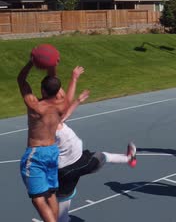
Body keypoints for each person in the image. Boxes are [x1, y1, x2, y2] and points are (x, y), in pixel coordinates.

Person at [54, 66, 137, 222]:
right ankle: (129, 158)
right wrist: (74, 78)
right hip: (75, 163)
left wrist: (78, 100)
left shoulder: (48, 120)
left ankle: (61, 218)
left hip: (63, 168)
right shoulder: (52, 123)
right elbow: (66, 105)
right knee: (102, 156)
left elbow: (66, 111)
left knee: (63, 202)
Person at [18, 60, 71, 222]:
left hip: (36, 153)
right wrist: (51, 66)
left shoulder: (35, 106)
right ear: (57, 91)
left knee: (38, 199)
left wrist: (31, 63)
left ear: (42, 89)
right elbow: (54, 83)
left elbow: (21, 80)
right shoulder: (62, 104)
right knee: (51, 194)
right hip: (53, 151)